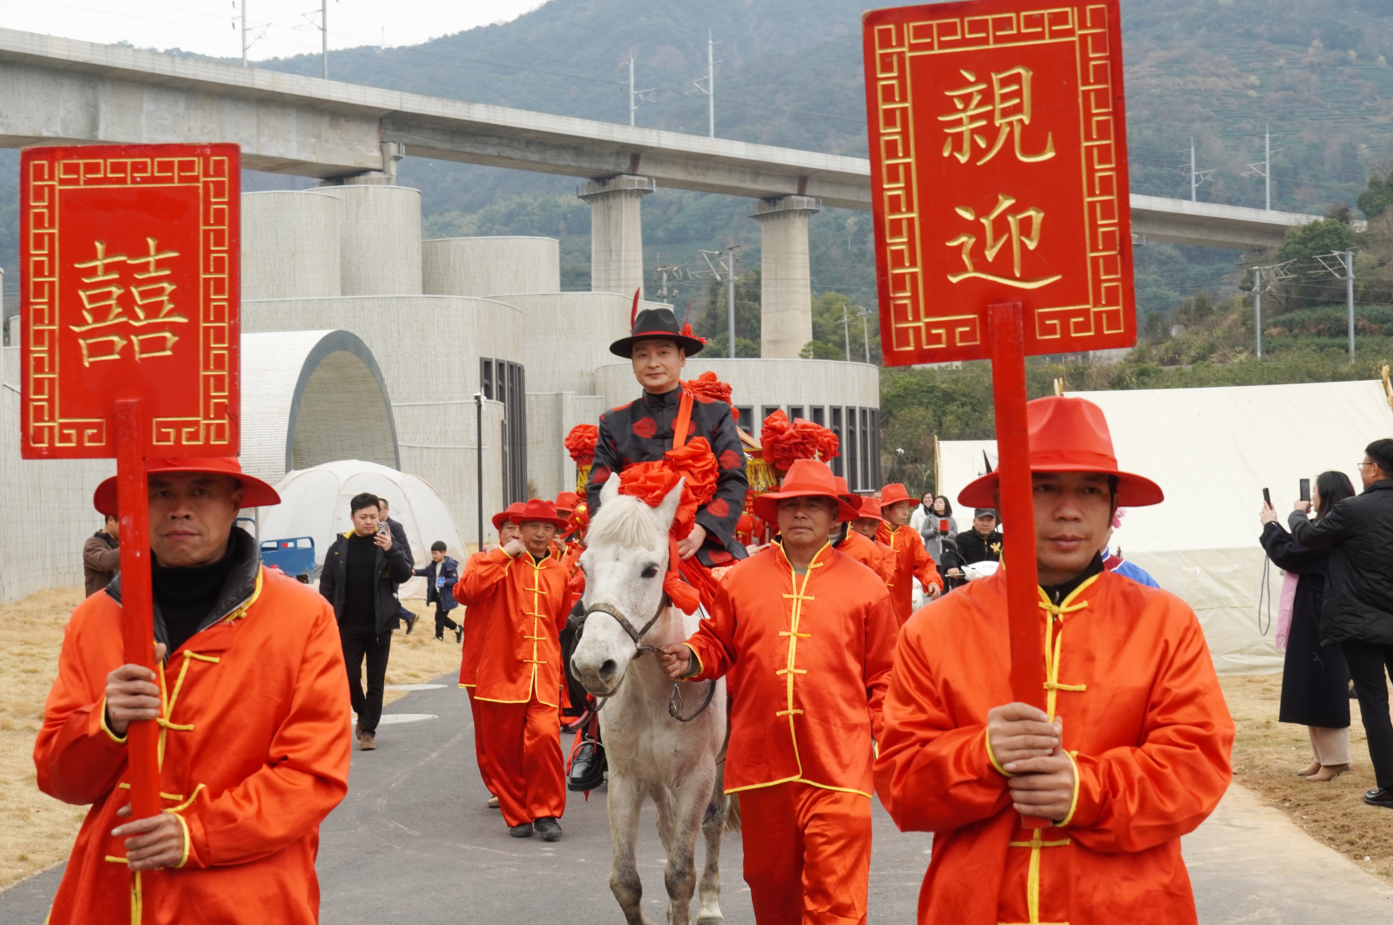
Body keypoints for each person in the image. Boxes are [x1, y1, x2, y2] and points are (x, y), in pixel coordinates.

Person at [875, 396, 1234, 925]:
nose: (1069, 511)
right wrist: (981, 756)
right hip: (976, 906)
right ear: (1005, 501)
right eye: (1043, 488)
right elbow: (902, 787)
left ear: (1115, 509)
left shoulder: (1164, 622)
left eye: (1089, 490)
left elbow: (1196, 768)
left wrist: (1086, 788)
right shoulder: (934, 629)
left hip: (1129, 907)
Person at [35, 457, 350, 924]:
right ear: (134, 507)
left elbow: (312, 775)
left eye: (201, 491)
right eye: (160, 492)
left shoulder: (303, 616)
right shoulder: (94, 618)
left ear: (234, 502)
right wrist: (106, 723)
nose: (179, 509)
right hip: (114, 895)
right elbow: (60, 780)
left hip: (246, 898)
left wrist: (199, 833)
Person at [656, 458, 898, 925]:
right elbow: (718, 642)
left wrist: (892, 744)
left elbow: (886, 675)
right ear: (776, 515)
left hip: (839, 767)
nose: (801, 513)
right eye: (791, 505)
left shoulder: (867, 587)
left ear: (834, 517)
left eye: (814, 505)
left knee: (838, 900)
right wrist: (691, 656)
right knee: (772, 892)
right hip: (762, 767)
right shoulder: (741, 580)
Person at [585, 303, 750, 604]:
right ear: (633, 363)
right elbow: (598, 488)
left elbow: (734, 480)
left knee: (747, 612)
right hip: (631, 552)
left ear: (681, 357)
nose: (653, 362)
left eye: (663, 352)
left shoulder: (715, 414)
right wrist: (619, 540)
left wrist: (702, 529)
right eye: (642, 354)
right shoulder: (614, 422)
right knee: (577, 621)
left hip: (700, 545)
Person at [455, 498, 574, 841]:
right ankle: (516, 813)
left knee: (545, 739)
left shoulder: (559, 571)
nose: (540, 533)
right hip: (500, 672)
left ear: (555, 533)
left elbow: (560, 619)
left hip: (544, 673)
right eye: (533, 527)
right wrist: (505, 554)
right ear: (518, 530)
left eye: (547, 528)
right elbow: (467, 591)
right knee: (503, 749)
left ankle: (547, 812)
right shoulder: (492, 561)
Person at [1288, 439, 1393, 809]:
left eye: (1363, 464)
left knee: (1375, 702)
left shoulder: (1354, 509)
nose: (1361, 470)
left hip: (1361, 621)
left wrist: (1298, 513)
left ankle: (1390, 788)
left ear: (1375, 469)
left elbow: (1308, 538)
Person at [1261, 471, 1355, 782]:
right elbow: (1297, 548)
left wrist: (1273, 526)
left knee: (1324, 685)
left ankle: (1336, 759)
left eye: (1315, 491)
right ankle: (1322, 757)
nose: (1310, 496)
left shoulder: (1331, 531)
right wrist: (1276, 524)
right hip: (1314, 609)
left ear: (1326, 495)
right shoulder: (1327, 529)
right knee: (1312, 683)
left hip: (1323, 613)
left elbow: (1289, 554)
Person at [319, 493, 413, 751]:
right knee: (348, 677)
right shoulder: (339, 548)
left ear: (380, 516)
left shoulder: (387, 544)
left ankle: (368, 731)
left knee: (376, 680)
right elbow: (327, 586)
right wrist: (326, 619)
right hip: (347, 624)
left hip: (379, 624)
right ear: (352, 518)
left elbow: (404, 574)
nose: (369, 521)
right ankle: (361, 712)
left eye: (374, 516)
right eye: (363, 517)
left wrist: (390, 548)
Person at [456, 502, 524, 811]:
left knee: (530, 730)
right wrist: (503, 556)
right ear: (499, 534)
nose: (518, 534)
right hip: (483, 663)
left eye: (524, 528)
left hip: (526, 663)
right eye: (511, 528)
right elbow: (466, 593)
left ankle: (526, 783)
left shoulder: (541, 567)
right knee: (488, 733)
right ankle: (498, 786)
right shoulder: (481, 560)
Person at [877, 482, 943, 623]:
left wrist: (932, 580)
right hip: (874, 601)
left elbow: (924, 563)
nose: (906, 512)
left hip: (901, 603)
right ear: (886, 509)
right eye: (901, 508)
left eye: (907, 508)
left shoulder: (911, 535)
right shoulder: (873, 531)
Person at [833, 493, 896, 585]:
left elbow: (881, 584)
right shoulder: (837, 543)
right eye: (861, 522)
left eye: (872, 524)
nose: (865, 528)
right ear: (852, 522)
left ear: (878, 525)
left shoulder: (887, 553)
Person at [377, 497, 417, 634]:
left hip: (393, 571)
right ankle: (406, 617)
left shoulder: (394, 526)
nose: (376, 512)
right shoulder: (371, 527)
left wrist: (408, 566)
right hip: (378, 572)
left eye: (379, 509)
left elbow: (404, 549)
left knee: (389, 599)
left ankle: (406, 617)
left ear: (387, 510)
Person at [414, 541, 462, 643]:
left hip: (447, 596)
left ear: (443, 553)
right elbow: (425, 571)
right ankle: (458, 629)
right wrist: (414, 572)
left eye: (435, 553)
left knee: (439, 617)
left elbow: (454, 580)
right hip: (438, 595)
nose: (433, 556)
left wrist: (444, 581)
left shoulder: (449, 565)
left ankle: (439, 636)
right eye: (432, 553)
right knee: (440, 617)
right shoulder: (433, 565)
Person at [82, 513, 121, 597]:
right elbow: (106, 561)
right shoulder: (92, 544)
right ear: (111, 520)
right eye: (124, 523)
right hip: (99, 607)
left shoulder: (121, 545)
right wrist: (130, 545)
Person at [919, 495, 959, 566]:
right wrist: (934, 530)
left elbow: (956, 535)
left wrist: (947, 532)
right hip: (932, 553)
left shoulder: (951, 520)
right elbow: (923, 532)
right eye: (936, 502)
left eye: (940, 503)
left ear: (946, 505)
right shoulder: (929, 518)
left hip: (947, 553)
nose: (937, 504)